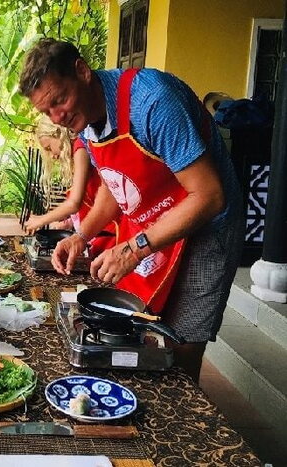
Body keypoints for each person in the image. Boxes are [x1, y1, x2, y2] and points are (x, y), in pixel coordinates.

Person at [19, 38, 244, 382]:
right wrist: (81, 236)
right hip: (157, 227)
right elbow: (115, 185)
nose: (58, 117)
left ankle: (182, 425)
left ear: (82, 71)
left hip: (205, 231)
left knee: (179, 344)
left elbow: (210, 196)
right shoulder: (87, 122)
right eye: (46, 111)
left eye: (60, 100)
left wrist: (134, 248)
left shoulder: (153, 103)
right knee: (142, 328)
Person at [24, 116, 118, 257]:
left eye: (49, 148)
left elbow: (74, 203)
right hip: (98, 231)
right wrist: (67, 224)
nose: (53, 156)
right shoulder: (76, 153)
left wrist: (41, 219)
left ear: (57, 134)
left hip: (111, 232)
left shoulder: (80, 149)